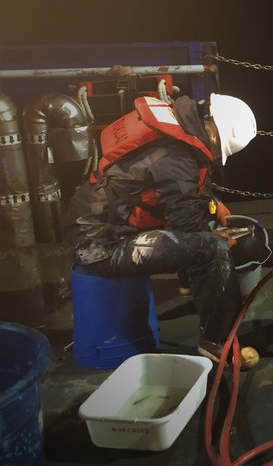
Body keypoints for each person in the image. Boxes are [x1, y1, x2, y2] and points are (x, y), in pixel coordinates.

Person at [63, 93, 261, 369]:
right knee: (210, 248)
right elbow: (186, 225)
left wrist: (216, 207)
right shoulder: (176, 155)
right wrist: (218, 237)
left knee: (203, 232)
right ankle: (216, 345)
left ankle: (187, 284)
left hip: (108, 225)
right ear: (215, 135)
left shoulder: (180, 131)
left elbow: (187, 194)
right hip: (99, 245)